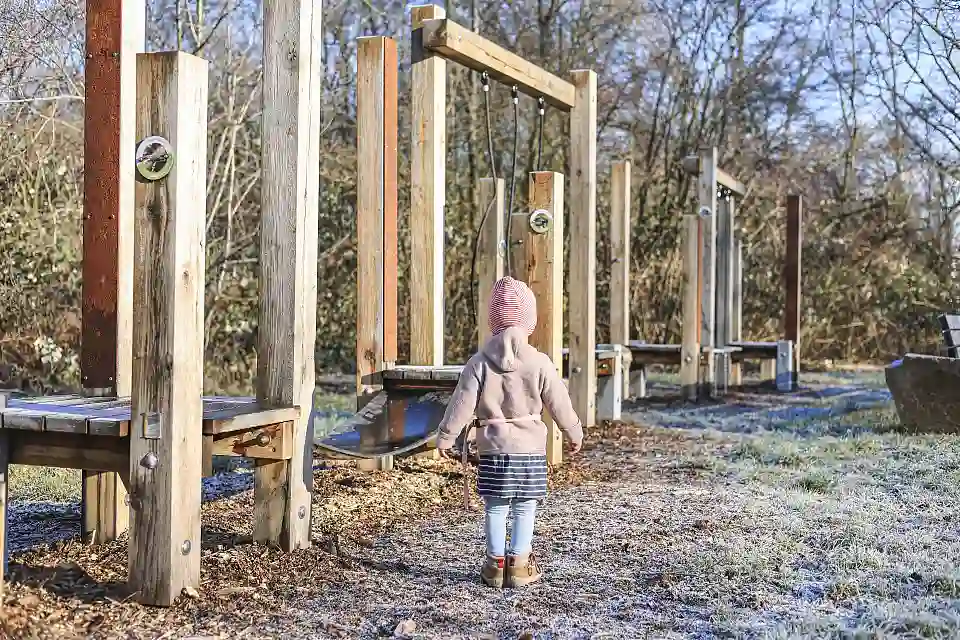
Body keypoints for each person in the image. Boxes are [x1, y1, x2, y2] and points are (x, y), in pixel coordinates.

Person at [435, 276, 583, 588]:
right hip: (529, 451)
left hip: (493, 449)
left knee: (496, 506)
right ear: (530, 322)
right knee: (525, 506)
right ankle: (519, 563)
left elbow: (461, 404)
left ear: (493, 322)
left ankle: (494, 565)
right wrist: (572, 430)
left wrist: (447, 436)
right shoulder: (540, 362)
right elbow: (559, 401)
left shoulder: (478, 363)